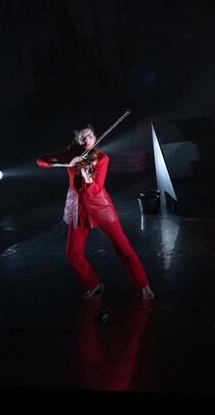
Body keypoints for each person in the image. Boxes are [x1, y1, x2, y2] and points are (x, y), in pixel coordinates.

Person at [37, 125, 154, 300]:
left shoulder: (101, 158)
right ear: (77, 139)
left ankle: (144, 285)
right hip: (78, 206)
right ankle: (94, 285)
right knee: (73, 253)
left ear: (95, 137)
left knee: (122, 247)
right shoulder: (71, 155)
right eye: (82, 138)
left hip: (99, 205)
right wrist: (66, 163)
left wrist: (87, 177)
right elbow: (41, 161)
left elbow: (95, 189)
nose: (87, 141)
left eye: (90, 137)